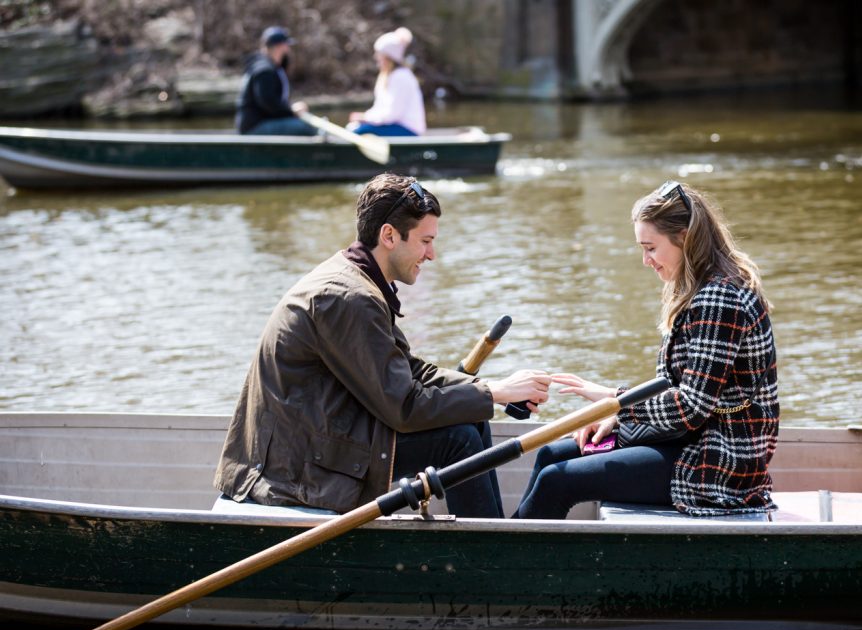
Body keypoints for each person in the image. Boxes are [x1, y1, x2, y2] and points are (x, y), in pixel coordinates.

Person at [215, 173, 551, 517]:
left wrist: (490, 388)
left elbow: (409, 371)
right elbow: (403, 407)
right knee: (459, 439)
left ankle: (490, 537)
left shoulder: (359, 281)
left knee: (471, 420)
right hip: (295, 469)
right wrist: (493, 394)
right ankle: (486, 558)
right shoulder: (347, 298)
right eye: (425, 241)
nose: (432, 254)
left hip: (320, 439)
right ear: (389, 235)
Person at [512, 180, 779, 519]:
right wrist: (616, 416)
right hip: (687, 439)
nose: (645, 260)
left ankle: (511, 566)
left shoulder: (719, 298)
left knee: (556, 481)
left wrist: (615, 401)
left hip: (717, 462)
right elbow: (676, 386)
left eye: (650, 248)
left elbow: (691, 408)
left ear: (684, 238)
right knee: (551, 456)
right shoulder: (697, 285)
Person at [235, 26, 317, 136]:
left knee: (305, 124)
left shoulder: (270, 66)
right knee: (306, 128)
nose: (288, 49)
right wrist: (292, 111)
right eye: (286, 44)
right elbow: (269, 104)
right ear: (280, 46)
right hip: (254, 127)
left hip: (261, 123)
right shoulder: (264, 70)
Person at [348, 27, 426, 137]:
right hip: (395, 126)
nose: (376, 57)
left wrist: (365, 118)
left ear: (389, 57)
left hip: (408, 130)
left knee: (358, 131)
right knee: (353, 128)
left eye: (379, 54)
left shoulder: (401, 77)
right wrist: (365, 117)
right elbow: (380, 108)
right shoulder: (387, 76)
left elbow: (393, 114)